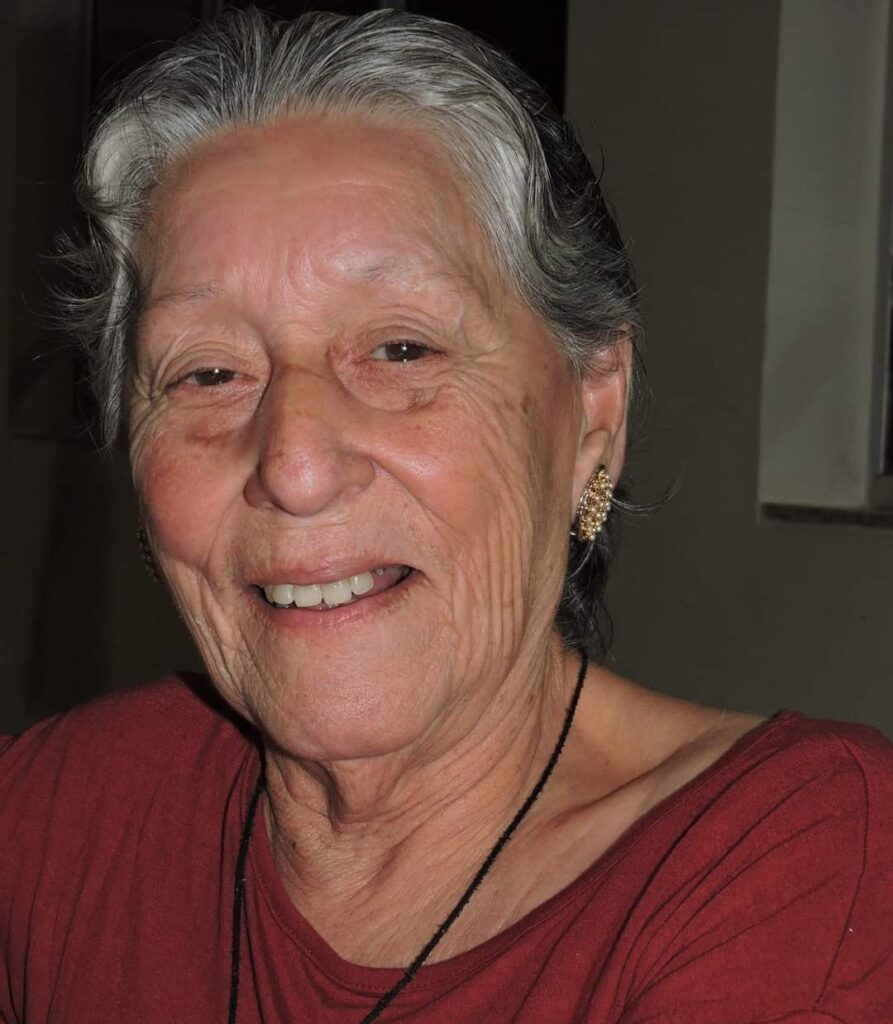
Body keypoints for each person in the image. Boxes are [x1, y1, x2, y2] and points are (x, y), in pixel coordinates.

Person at [1, 8, 891, 1023]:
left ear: (592, 414)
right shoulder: (62, 818)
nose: (294, 465)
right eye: (207, 372)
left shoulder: (799, 869)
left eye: (401, 350)